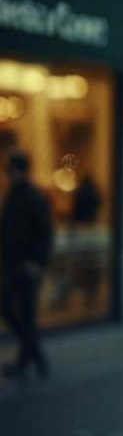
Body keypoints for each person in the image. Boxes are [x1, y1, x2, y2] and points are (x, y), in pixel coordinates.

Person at [1, 150, 54, 381]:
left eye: (10, 169)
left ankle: (33, 360)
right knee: (9, 309)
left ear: (21, 170)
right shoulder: (12, 194)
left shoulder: (33, 197)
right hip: (12, 264)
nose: (7, 174)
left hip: (27, 266)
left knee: (26, 314)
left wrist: (37, 263)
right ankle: (34, 357)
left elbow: (46, 233)